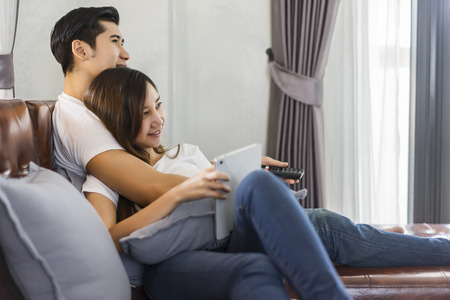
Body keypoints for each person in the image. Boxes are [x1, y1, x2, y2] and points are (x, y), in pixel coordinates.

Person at [50, 6, 349, 300]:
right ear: (81, 49)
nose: (125, 54)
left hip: (183, 238)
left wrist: (223, 167)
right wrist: (233, 177)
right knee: (265, 199)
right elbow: (151, 187)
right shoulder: (80, 124)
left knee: (315, 219)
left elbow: (151, 167)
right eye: (115, 41)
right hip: (155, 257)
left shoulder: (92, 113)